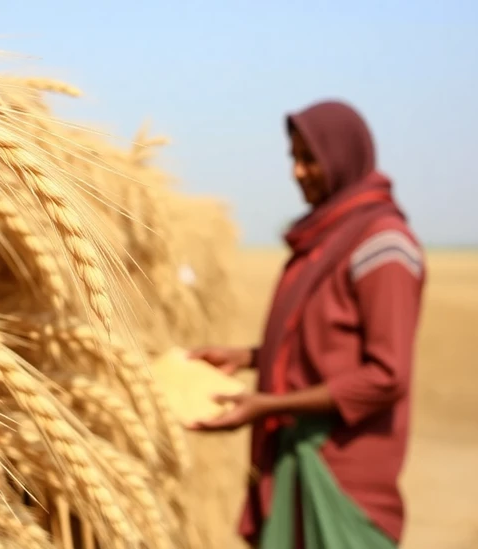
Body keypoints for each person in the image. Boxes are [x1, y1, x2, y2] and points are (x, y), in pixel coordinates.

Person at [186, 100, 425, 548]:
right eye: (294, 158)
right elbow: (321, 342)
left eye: (310, 159)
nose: (298, 172)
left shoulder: (383, 247)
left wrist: (269, 406)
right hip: (293, 458)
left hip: (340, 474)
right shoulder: (325, 238)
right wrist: (248, 357)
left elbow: (386, 376)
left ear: (342, 158)